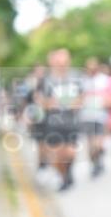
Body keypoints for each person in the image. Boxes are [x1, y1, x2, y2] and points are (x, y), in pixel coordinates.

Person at [36, 49, 84, 191]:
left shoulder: (76, 77)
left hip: (71, 121)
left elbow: (81, 97)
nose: (62, 65)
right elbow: (40, 100)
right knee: (57, 154)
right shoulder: (46, 79)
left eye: (65, 62)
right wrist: (49, 104)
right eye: (59, 62)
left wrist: (73, 104)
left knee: (70, 153)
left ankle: (68, 172)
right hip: (53, 122)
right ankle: (64, 177)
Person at [79, 57, 109, 178]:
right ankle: (95, 164)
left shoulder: (104, 80)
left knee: (98, 143)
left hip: (100, 115)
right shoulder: (82, 81)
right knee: (90, 144)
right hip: (87, 116)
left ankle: (99, 158)